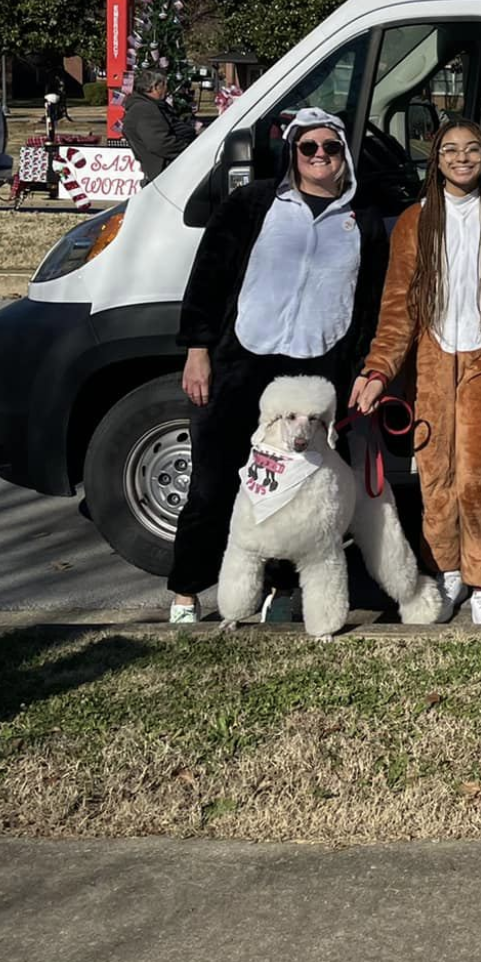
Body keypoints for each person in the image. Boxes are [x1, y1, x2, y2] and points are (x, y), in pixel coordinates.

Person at [167, 108, 390, 624]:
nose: (319, 157)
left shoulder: (363, 221)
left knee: (302, 490)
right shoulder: (253, 203)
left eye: (329, 148)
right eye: (307, 148)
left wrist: (365, 370)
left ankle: (283, 591)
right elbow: (209, 276)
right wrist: (197, 349)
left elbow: (373, 301)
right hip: (242, 360)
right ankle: (186, 589)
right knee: (215, 480)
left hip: (316, 372)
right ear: (292, 152)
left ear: (343, 155)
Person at [352, 121, 481, 626]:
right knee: (436, 477)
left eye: (473, 149)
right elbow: (398, 307)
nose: (462, 158)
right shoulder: (415, 222)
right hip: (434, 362)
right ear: (435, 159)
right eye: (451, 150)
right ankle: (445, 571)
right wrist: (378, 371)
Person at [124, 70, 198, 184]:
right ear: (154, 87)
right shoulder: (144, 109)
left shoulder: (153, 105)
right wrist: (190, 151)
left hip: (173, 167)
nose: (167, 90)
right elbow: (160, 143)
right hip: (167, 171)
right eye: (164, 85)